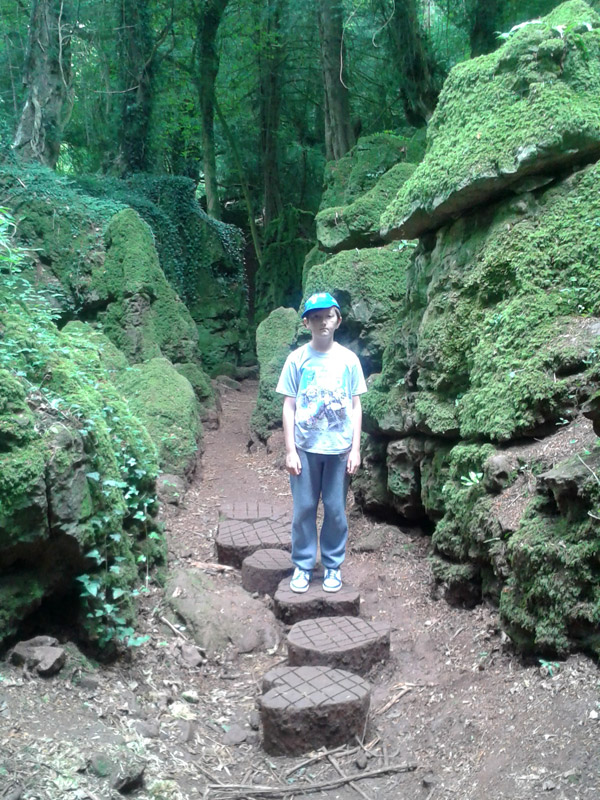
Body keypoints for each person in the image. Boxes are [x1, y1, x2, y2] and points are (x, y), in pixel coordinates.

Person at [276, 292, 367, 593]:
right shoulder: (297, 360)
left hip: (338, 449)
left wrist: (355, 448)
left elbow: (356, 406)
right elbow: (289, 406)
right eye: (315, 317)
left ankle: (332, 565)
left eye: (328, 315)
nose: (322, 322)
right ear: (306, 322)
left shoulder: (349, 360)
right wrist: (290, 450)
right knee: (303, 507)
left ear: (338, 320)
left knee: (335, 508)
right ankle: (303, 565)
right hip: (305, 446)